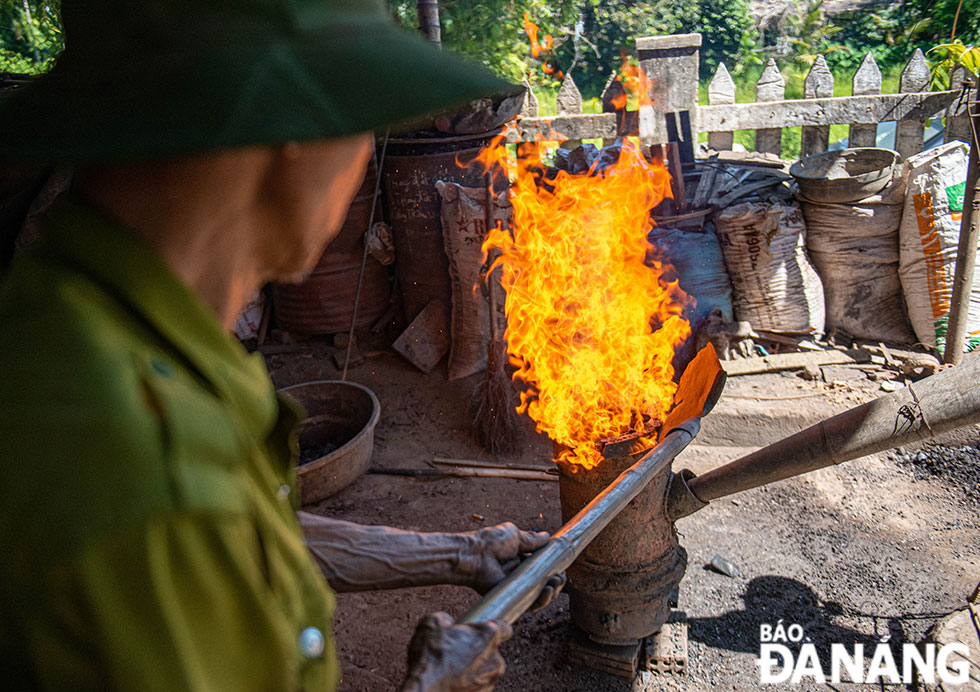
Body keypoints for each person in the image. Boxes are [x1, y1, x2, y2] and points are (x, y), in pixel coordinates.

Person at [0, 1, 561, 690]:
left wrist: (461, 552)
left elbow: (238, 536)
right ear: (285, 136)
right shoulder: (137, 460)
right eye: (360, 133)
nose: (360, 167)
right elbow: (185, 516)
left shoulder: (85, 324)